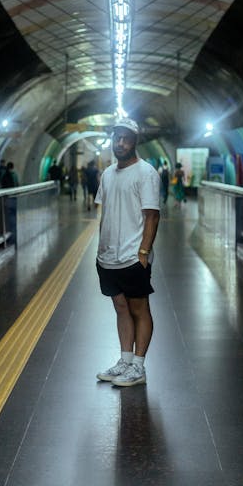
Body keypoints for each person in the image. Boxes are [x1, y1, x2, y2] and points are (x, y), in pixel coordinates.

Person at [95, 117, 160, 387]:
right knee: (120, 307)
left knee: (139, 308)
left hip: (133, 256)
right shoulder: (108, 174)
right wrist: (100, 248)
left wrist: (143, 252)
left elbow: (152, 216)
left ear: (135, 141)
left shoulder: (146, 173)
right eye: (117, 137)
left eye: (126, 138)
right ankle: (124, 360)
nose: (120, 143)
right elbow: (105, 213)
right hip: (108, 257)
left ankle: (138, 366)